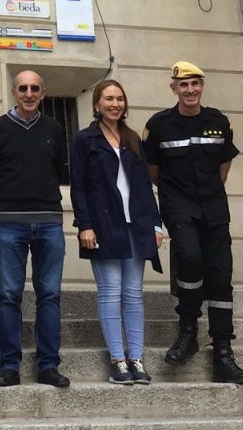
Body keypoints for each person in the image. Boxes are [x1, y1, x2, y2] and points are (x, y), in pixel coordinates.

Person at [143, 61, 243, 384]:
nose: (190, 90)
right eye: (183, 84)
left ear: (202, 87)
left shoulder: (218, 121)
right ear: (173, 88)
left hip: (214, 207)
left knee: (220, 275)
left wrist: (209, 193)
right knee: (189, 257)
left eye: (195, 84)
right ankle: (188, 329)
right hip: (179, 205)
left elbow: (224, 165)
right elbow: (153, 171)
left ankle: (222, 352)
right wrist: (174, 199)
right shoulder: (158, 125)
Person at [0, 70, 70, 388]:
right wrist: (8, 202)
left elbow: (58, 168)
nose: (29, 93)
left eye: (34, 88)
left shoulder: (55, 129)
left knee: (50, 295)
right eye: (23, 88)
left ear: (43, 92)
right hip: (9, 224)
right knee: (7, 296)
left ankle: (48, 366)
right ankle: (9, 366)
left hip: (49, 224)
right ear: (14, 92)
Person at [70, 80, 163, 385]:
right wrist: (84, 224)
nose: (115, 104)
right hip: (103, 226)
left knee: (134, 295)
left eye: (120, 98)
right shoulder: (85, 140)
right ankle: (118, 361)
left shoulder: (133, 138)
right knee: (111, 293)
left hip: (135, 225)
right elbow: (79, 187)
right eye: (108, 99)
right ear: (97, 104)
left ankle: (136, 358)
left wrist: (155, 223)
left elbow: (144, 187)